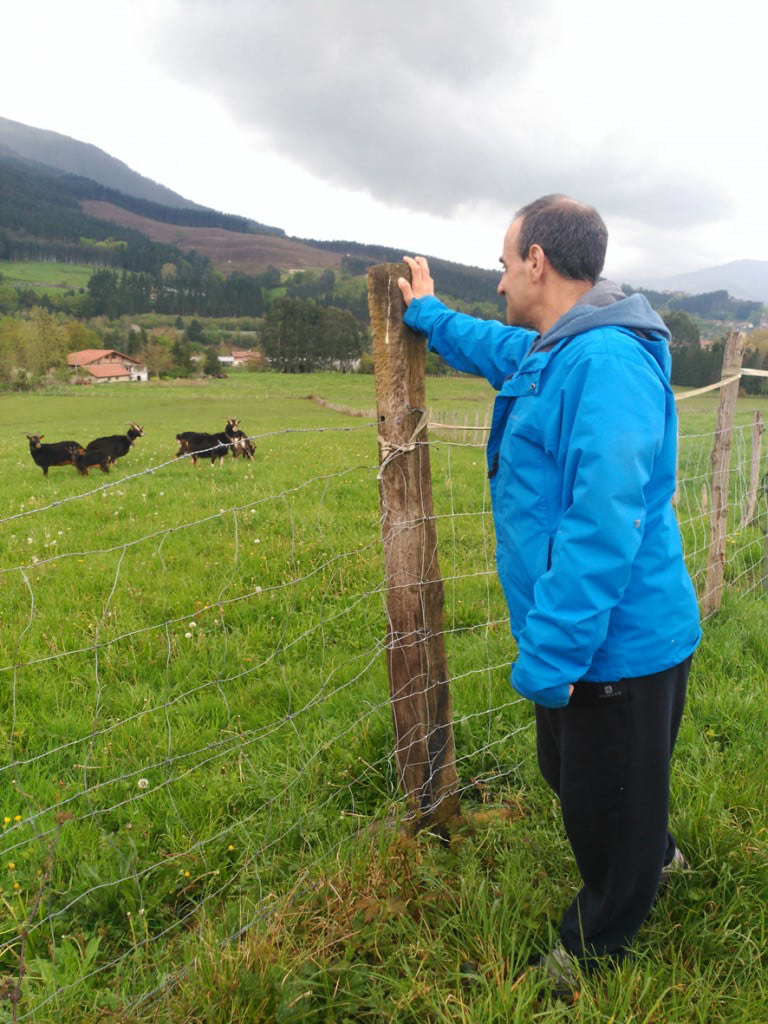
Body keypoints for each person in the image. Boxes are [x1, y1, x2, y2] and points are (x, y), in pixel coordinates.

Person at [397, 195, 701, 997]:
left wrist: (554, 655)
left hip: (618, 642)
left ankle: (594, 945)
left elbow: (602, 524)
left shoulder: (605, 365)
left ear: (537, 262)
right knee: (577, 773)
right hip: (587, 635)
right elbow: (495, 344)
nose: (499, 283)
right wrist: (427, 314)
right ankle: (653, 850)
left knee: (602, 801)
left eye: (504, 264)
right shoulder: (559, 350)